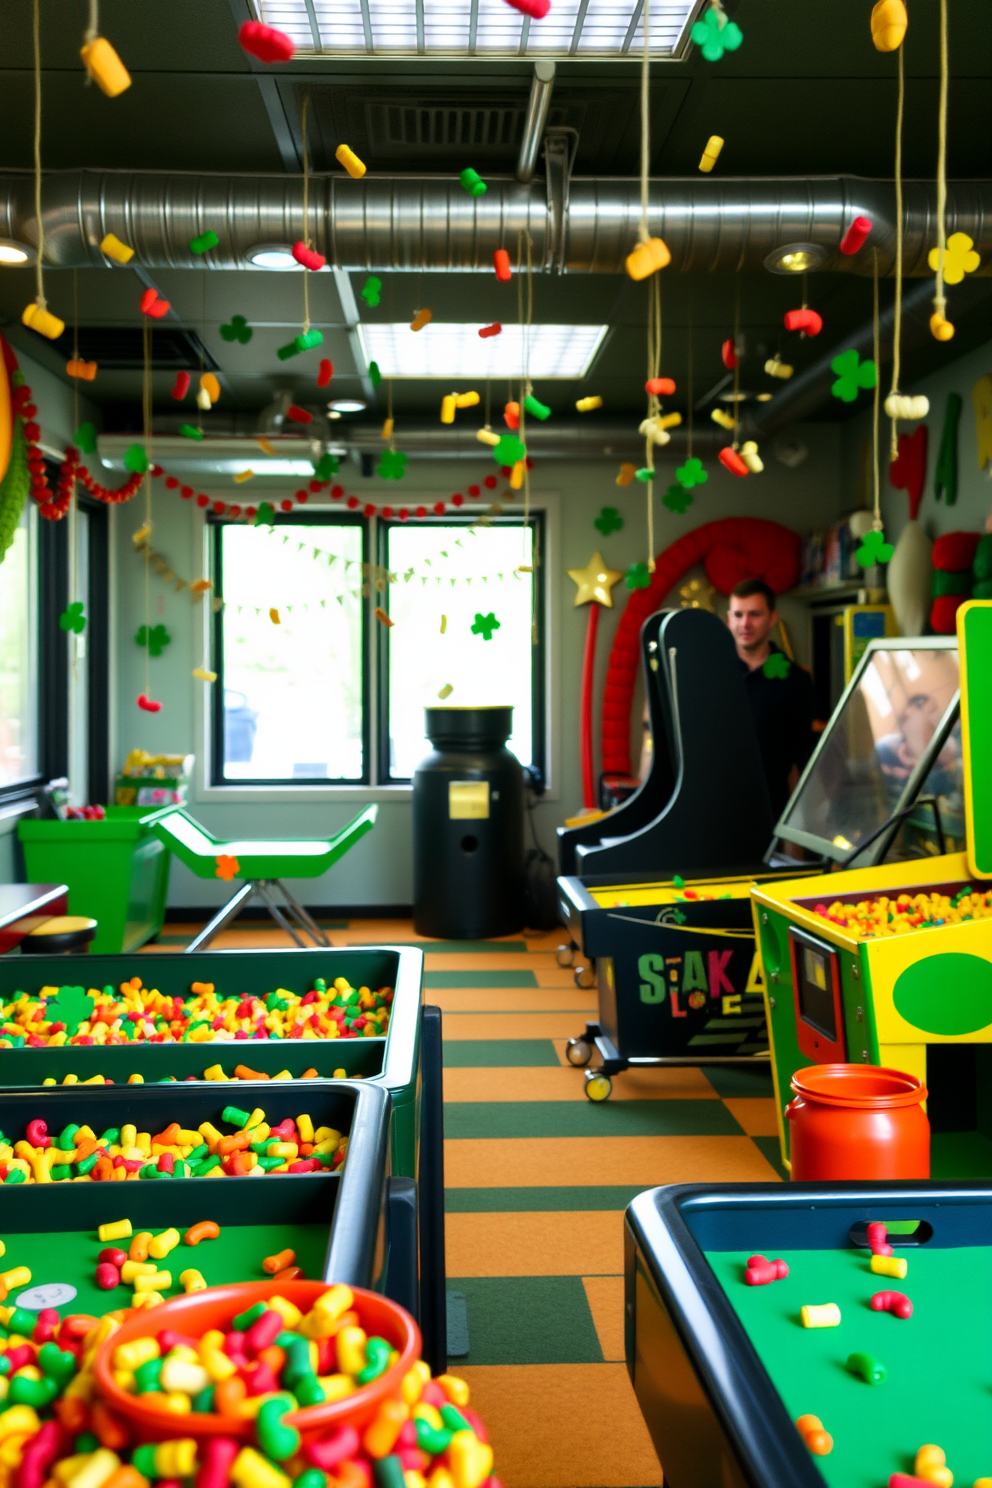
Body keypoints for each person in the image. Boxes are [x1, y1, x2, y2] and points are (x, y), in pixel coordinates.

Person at [727, 578, 815, 819]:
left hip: (772, 810)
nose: (745, 623)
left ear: (772, 618)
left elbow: (800, 763)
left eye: (754, 614)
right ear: (729, 619)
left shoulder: (796, 681)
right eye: (738, 614)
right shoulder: (712, 674)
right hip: (717, 807)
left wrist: (794, 839)